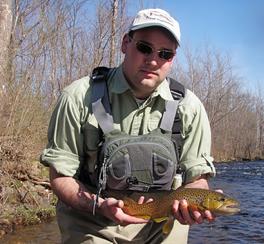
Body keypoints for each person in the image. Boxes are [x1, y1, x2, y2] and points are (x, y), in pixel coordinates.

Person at [40, 8, 216, 244]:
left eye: (165, 54)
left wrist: (195, 201)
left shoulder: (189, 107)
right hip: (92, 222)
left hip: (162, 226)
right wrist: (99, 205)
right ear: (125, 43)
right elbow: (60, 177)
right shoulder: (79, 97)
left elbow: (197, 177)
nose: (153, 60)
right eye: (144, 47)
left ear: (172, 59)